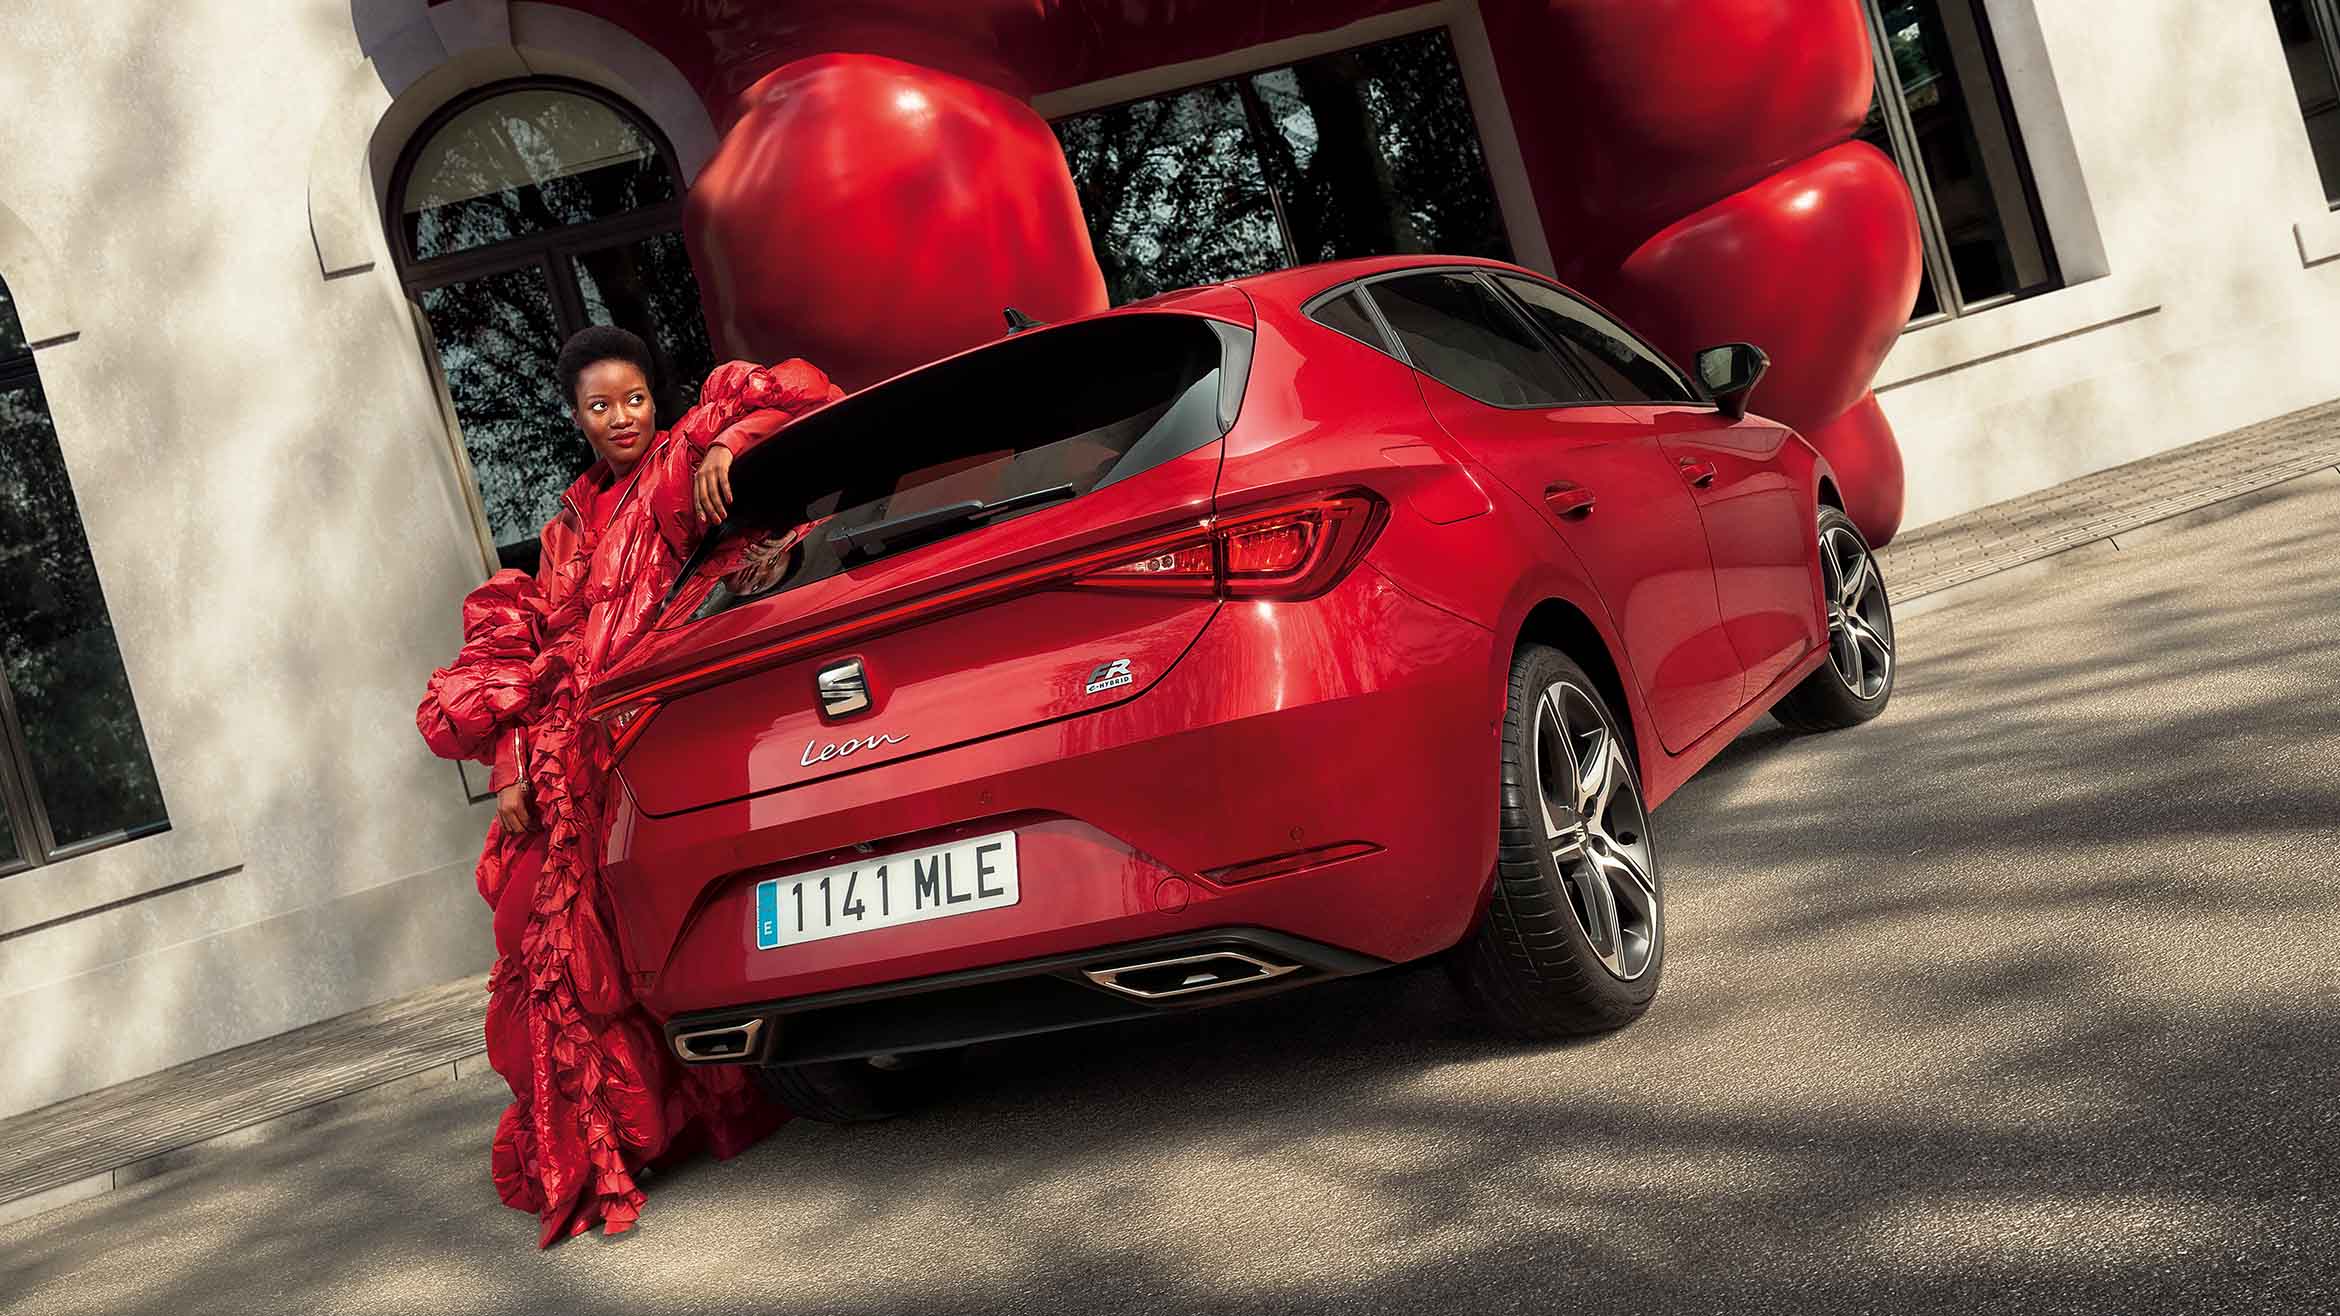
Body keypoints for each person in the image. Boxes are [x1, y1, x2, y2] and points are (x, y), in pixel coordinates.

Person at [416, 326, 842, 1245]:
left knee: (616, 940)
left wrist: (732, 439)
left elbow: (802, 390)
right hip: (565, 748)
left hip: (648, 731)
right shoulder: (565, 527)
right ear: (575, 416)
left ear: (658, 397)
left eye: (635, 399)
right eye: (601, 406)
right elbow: (535, 651)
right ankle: (602, 1138)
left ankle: (642, 1130)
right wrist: (512, 764)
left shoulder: (679, 466)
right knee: (533, 936)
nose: (622, 419)